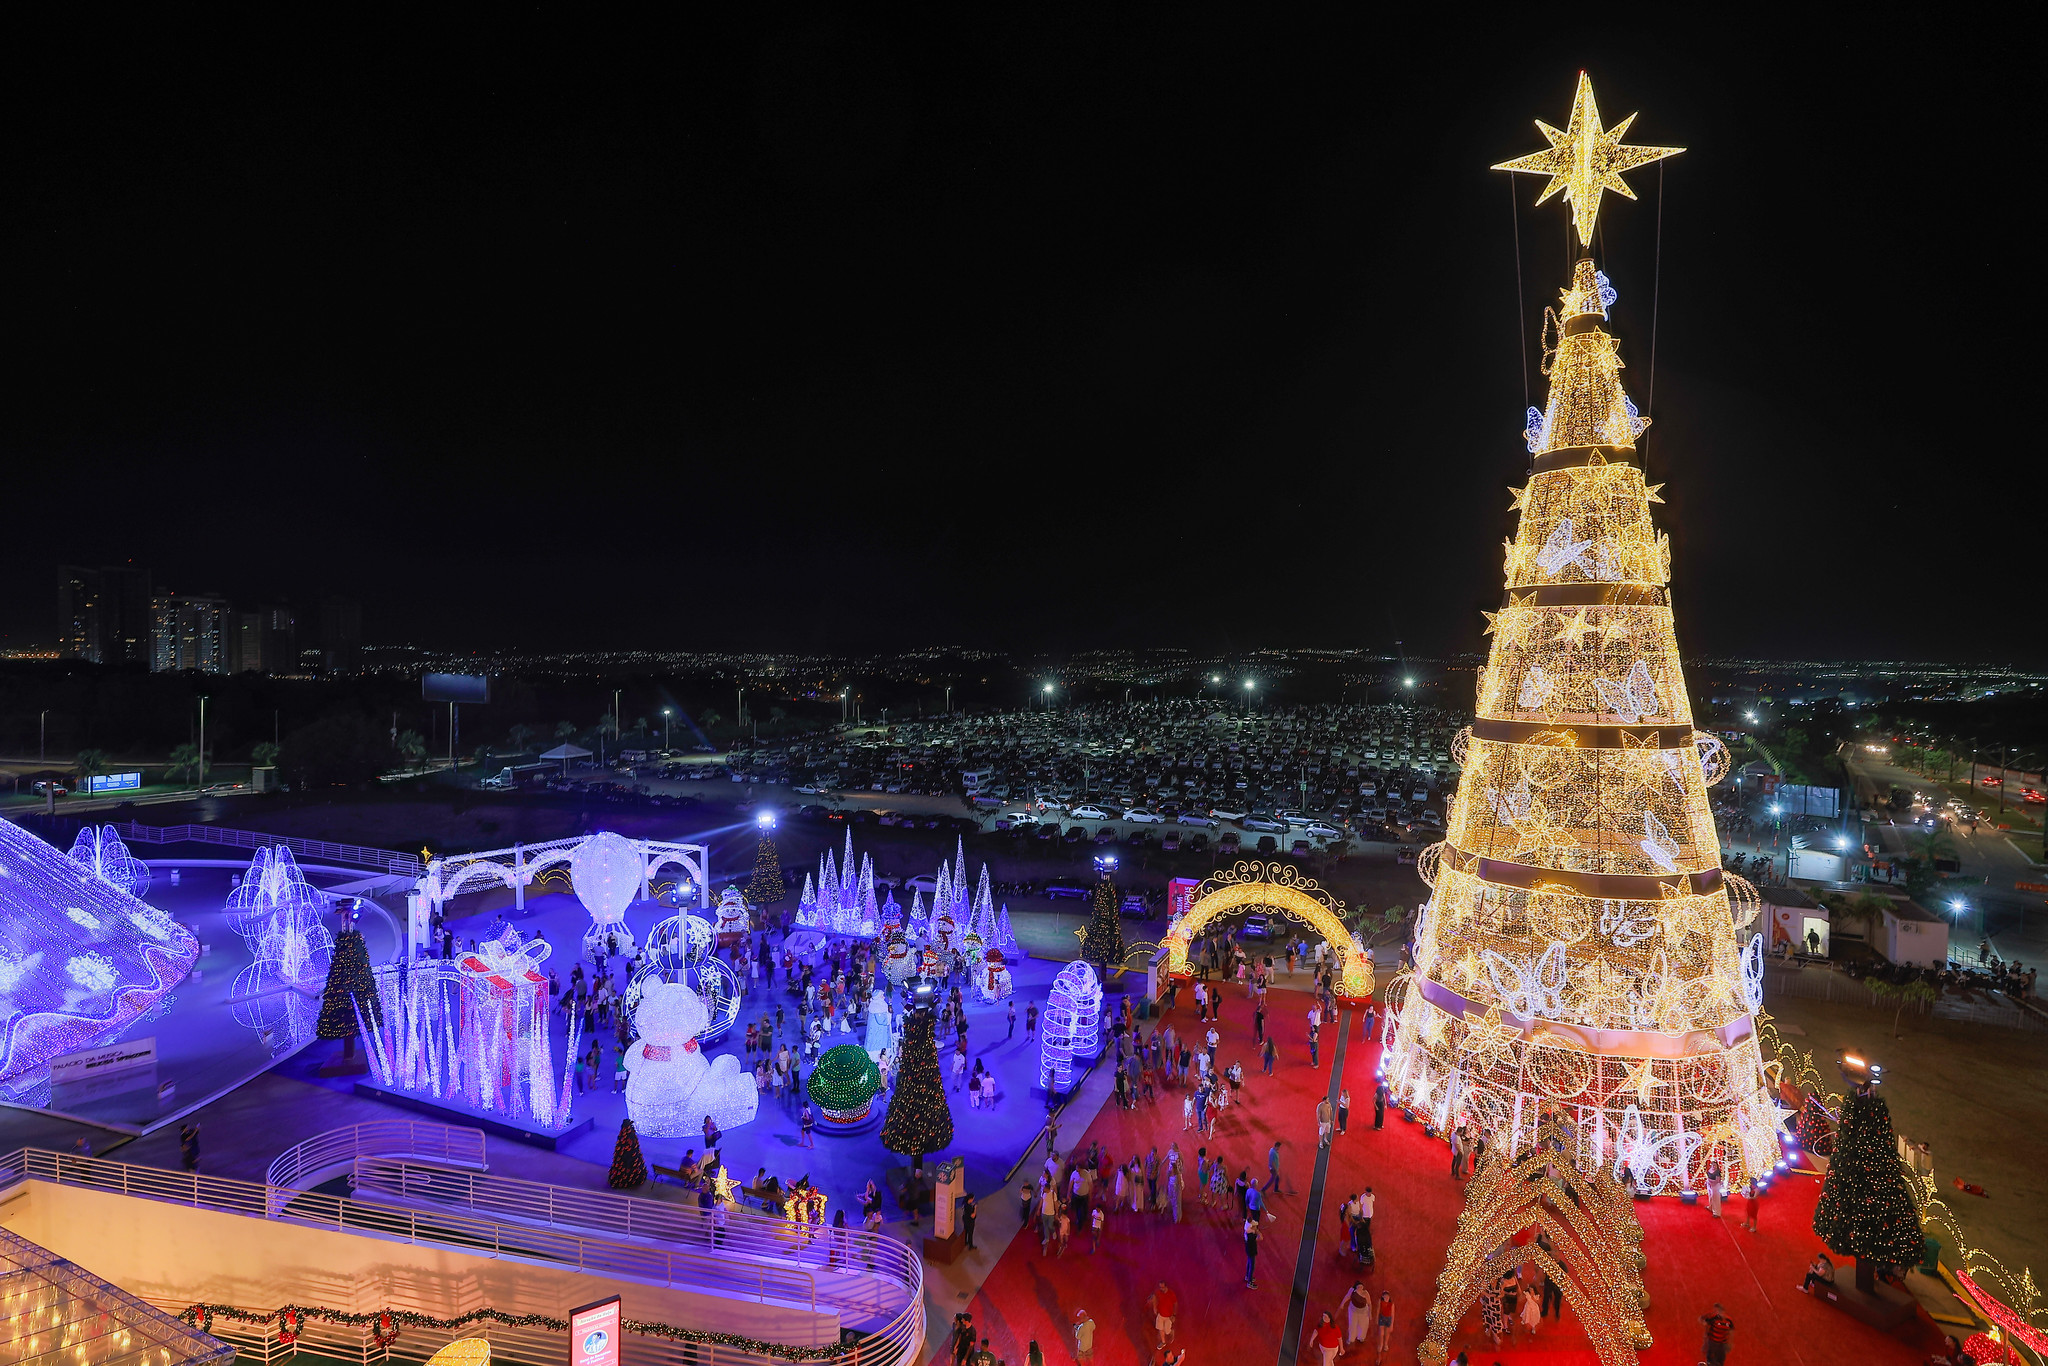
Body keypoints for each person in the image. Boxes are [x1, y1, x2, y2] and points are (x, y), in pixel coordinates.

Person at [1145, 1282, 1178, 1349]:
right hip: (1160, 1315)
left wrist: (1174, 1315)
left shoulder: (1171, 1294)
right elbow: (1154, 1296)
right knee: (1160, 1329)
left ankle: (1171, 1331)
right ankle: (1163, 1342)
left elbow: (1175, 1304)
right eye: (1160, 1287)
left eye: (1162, 1287)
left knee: (1167, 1331)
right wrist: (1154, 1307)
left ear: (1166, 1287)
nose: (1161, 1289)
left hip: (1168, 1316)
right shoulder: (1158, 1292)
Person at [1345, 1281, 1372, 1348]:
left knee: (1363, 1325)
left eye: (1361, 1287)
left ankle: (1361, 1337)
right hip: (1353, 1310)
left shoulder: (1365, 1293)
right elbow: (1347, 1297)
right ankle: (1351, 1339)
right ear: (1356, 1287)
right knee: (1352, 1324)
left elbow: (1369, 1303)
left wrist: (1370, 1312)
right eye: (1359, 1287)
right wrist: (1342, 1304)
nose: (1360, 1288)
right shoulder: (1352, 1291)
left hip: (1363, 1311)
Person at [1374, 1291, 1394, 1362]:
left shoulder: (1391, 1304)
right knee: (1381, 1333)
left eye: (1387, 1297)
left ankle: (1385, 1344)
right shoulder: (1380, 1302)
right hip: (1382, 1318)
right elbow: (1378, 1310)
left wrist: (1392, 1324)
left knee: (1387, 1333)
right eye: (1385, 1297)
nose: (1386, 1298)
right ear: (1382, 1297)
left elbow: (1392, 1314)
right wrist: (1376, 1318)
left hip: (1388, 1319)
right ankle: (1381, 1344)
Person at [1242, 1213, 1260, 1289]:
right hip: (1251, 1251)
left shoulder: (1247, 1231)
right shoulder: (1251, 1236)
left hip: (1248, 1250)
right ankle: (1249, 1282)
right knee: (1252, 1266)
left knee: (1249, 1263)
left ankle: (1247, 1276)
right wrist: (1257, 1231)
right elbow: (1261, 1237)